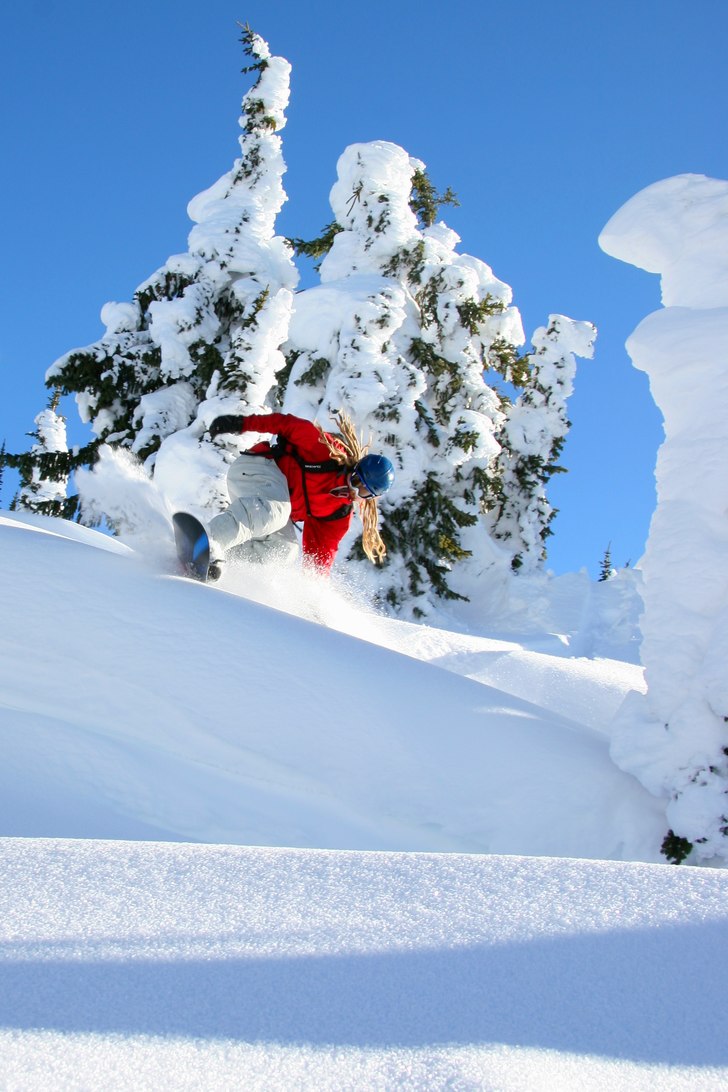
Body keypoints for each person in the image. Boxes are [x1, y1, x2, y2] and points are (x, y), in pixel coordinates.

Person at [205, 409, 394, 579]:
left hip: (265, 502)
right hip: (257, 468)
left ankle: (224, 559)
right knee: (277, 511)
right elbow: (286, 424)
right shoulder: (326, 452)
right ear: (354, 468)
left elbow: (319, 563)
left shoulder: (337, 514)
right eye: (355, 481)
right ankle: (211, 540)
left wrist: (313, 600)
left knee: (284, 549)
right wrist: (241, 423)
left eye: (363, 493)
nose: (354, 491)